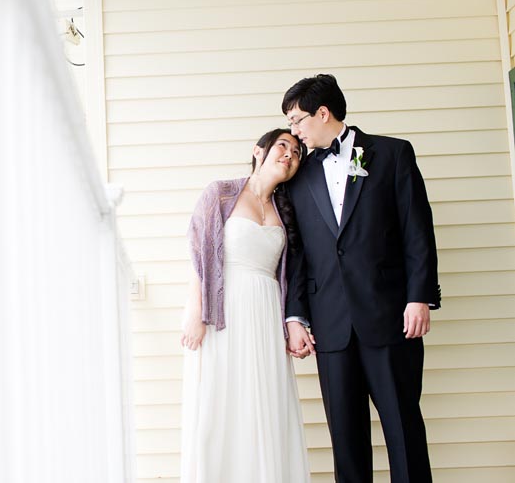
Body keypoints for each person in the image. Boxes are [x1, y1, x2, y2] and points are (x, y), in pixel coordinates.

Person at [282, 74, 441, 483]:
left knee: (403, 431)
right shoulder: (299, 177)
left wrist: (419, 296)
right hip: (331, 328)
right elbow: (298, 252)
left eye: (297, 120)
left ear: (323, 113)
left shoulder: (391, 155)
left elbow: (416, 230)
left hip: (390, 318)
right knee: (346, 442)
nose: (294, 131)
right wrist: (296, 315)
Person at [180, 128, 310, 483]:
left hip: (267, 313)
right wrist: (195, 313)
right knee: (221, 405)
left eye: (297, 152)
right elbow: (199, 257)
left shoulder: (287, 209)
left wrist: (291, 322)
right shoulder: (220, 194)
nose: (290, 154)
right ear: (258, 151)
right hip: (224, 311)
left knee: (264, 405)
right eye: (283, 146)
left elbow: (294, 270)